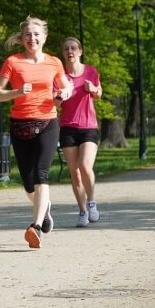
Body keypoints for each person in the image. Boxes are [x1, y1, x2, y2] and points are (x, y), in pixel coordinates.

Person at [0, 16, 72, 249]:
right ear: (22, 38)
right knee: (29, 184)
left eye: (36, 34)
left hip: (47, 122)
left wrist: (63, 94)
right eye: (28, 34)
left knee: (41, 174)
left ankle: (35, 227)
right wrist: (16, 92)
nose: (32, 38)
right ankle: (44, 208)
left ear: (44, 37)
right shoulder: (12, 62)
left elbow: (66, 86)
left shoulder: (54, 62)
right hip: (20, 125)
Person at [56, 37, 102, 227]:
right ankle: (82, 211)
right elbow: (54, 102)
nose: (70, 51)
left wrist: (93, 89)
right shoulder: (59, 76)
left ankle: (92, 203)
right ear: (63, 53)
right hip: (67, 127)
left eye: (73, 48)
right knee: (74, 173)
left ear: (80, 51)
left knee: (85, 166)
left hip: (88, 126)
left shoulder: (90, 71)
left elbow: (99, 93)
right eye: (66, 48)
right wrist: (60, 96)